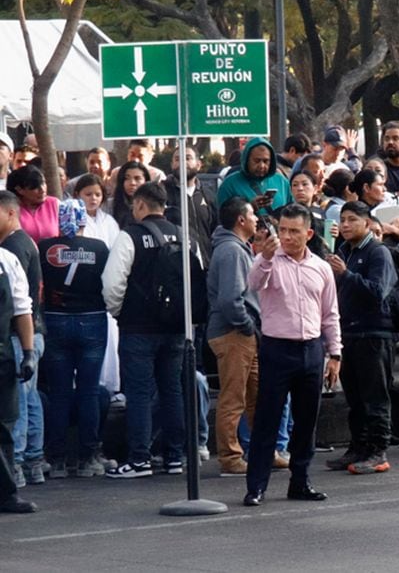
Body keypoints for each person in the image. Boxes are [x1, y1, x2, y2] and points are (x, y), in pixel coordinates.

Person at [243, 204, 341, 507]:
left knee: (306, 421)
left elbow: (330, 313)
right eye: (282, 230)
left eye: (294, 231)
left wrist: (334, 353)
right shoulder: (268, 260)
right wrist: (268, 256)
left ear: (309, 233)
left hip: (311, 349)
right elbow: (253, 283)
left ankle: (301, 481)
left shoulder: (321, 267)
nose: (286, 236)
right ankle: (256, 486)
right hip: (276, 347)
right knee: (267, 420)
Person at [101, 183, 192, 478]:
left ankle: (139, 458)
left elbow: (112, 283)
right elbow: (195, 278)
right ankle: (174, 457)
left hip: (138, 327)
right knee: (172, 390)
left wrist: (119, 313)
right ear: (163, 205)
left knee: (139, 393)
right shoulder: (182, 235)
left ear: (140, 205)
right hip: (176, 327)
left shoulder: (131, 236)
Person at [39, 200, 110, 479]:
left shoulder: (45, 247)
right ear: (83, 220)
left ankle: (56, 459)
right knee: (89, 390)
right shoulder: (99, 248)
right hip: (92, 317)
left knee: (59, 392)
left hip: (56, 318)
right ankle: (88, 457)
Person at [327, 201, 397, 471]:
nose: (345, 225)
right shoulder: (344, 250)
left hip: (374, 333)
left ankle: (378, 450)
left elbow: (378, 291)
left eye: (352, 219)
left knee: (374, 397)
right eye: (343, 219)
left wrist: (347, 275)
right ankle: (358, 447)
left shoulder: (377, 253)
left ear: (367, 223)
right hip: (349, 333)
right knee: (355, 398)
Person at [206, 197, 262, 477]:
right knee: (234, 398)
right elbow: (231, 300)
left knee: (255, 396)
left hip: (241, 331)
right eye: (252, 214)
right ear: (240, 219)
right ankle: (230, 456)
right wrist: (247, 325)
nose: (256, 219)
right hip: (233, 332)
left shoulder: (236, 248)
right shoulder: (232, 251)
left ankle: (263, 450)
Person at [0, 191, 37, 512]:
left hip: (2, 354)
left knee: (6, 425)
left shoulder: (7, 260)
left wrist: (28, 352)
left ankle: (7, 493)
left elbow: (23, 310)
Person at [164, 145, 218, 266]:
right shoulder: (163, 194)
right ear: (172, 164)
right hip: (175, 267)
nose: (182, 163)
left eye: (188, 158)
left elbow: (216, 230)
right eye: (177, 159)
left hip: (206, 266)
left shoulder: (209, 195)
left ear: (198, 164)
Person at [218, 137, 293, 215]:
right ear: (247, 160)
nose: (261, 166)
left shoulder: (282, 181)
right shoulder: (229, 184)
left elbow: (292, 212)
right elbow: (223, 218)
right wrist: (249, 208)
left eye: (265, 161)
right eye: (257, 161)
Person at [9, 165, 59, 246]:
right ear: (20, 190)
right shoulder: (12, 210)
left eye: (43, 183)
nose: (42, 189)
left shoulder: (55, 204)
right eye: (35, 187)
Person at [73, 174, 120, 248]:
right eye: (88, 194)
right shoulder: (72, 219)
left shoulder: (109, 221)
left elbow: (116, 246)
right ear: (77, 195)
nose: (93, 198)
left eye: (98, 195)